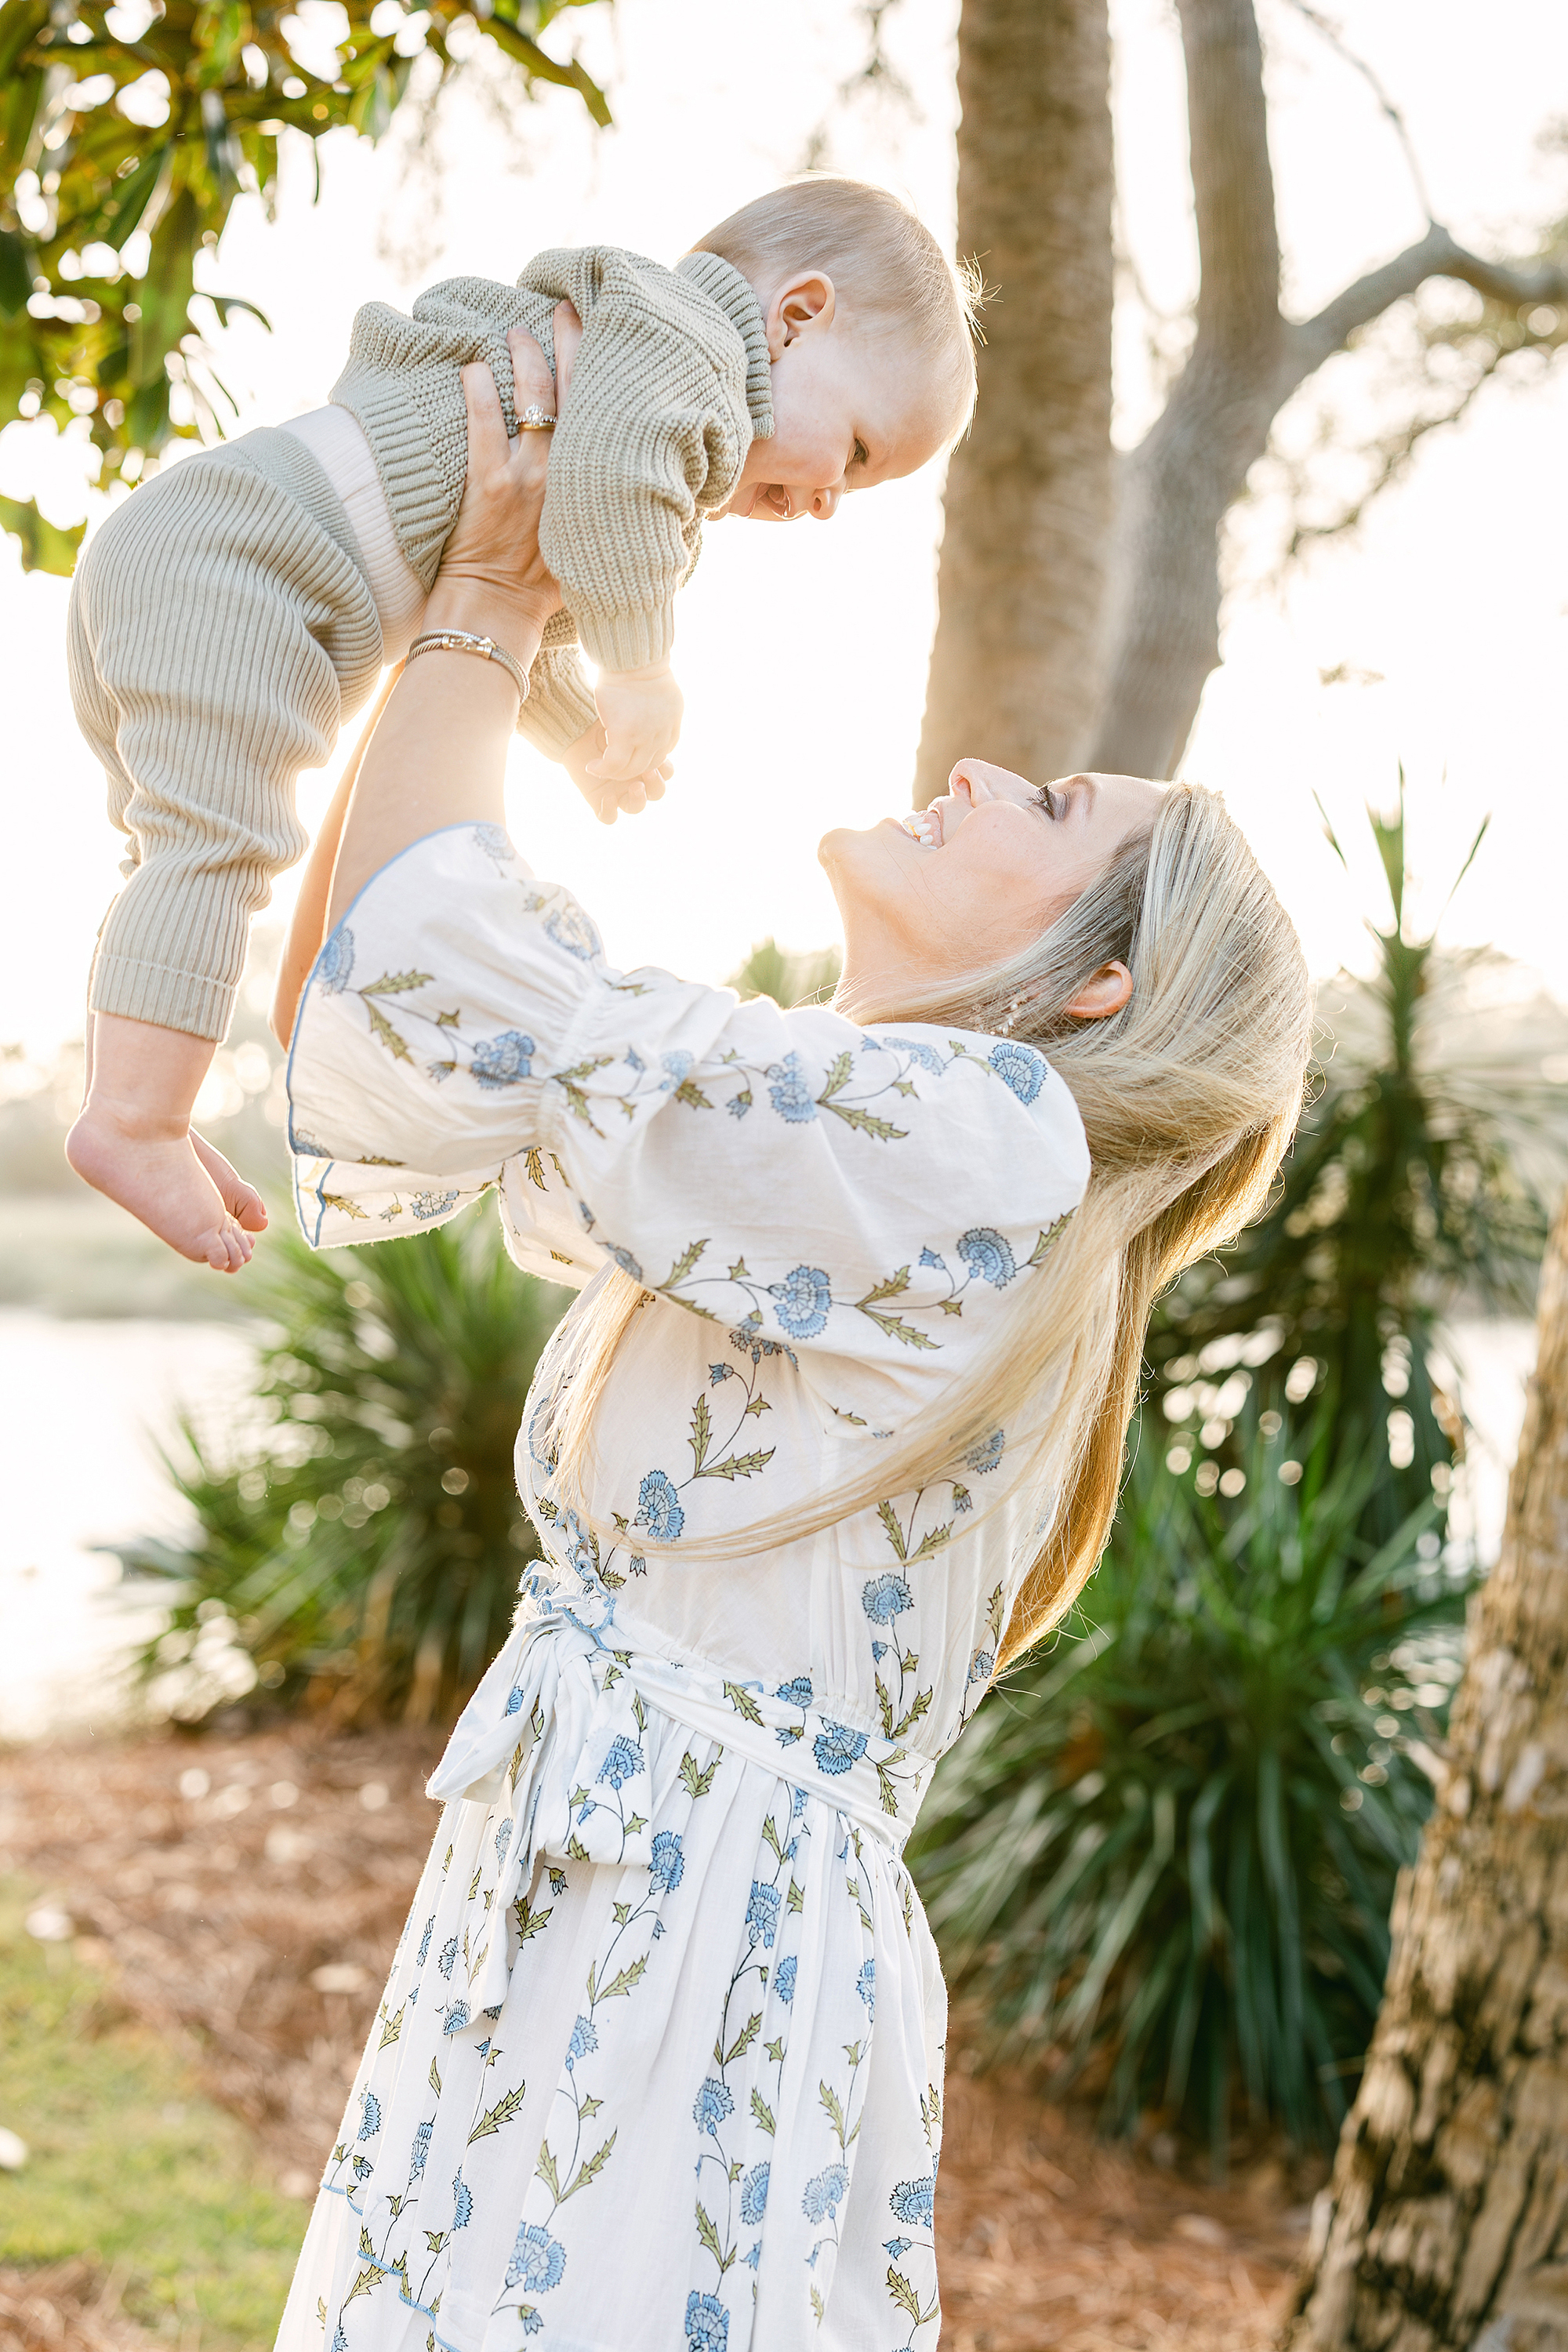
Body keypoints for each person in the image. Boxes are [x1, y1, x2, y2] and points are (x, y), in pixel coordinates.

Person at [270, 332, 1312, 2352]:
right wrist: (470, 616)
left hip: (678, 1938)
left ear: (1095, 992)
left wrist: (493, 596)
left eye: (1056, 802)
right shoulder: (863, 1149)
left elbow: (445, 962)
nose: (983, 772)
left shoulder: (976, 1149)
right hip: (615, 1877)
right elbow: (390, 993)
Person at [64, 176, 976, 1279]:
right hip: (245, 569)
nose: (830, 501)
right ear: (795, 318)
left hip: (198, 551)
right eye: (863, 455)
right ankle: (134, 1120)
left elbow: (528, 604)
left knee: (178, 855)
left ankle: (140, 1094)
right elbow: (607, 490)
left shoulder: (626, 374)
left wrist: (578, 734)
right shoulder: (680, 347)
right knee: (219, 846)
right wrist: (644, 670)